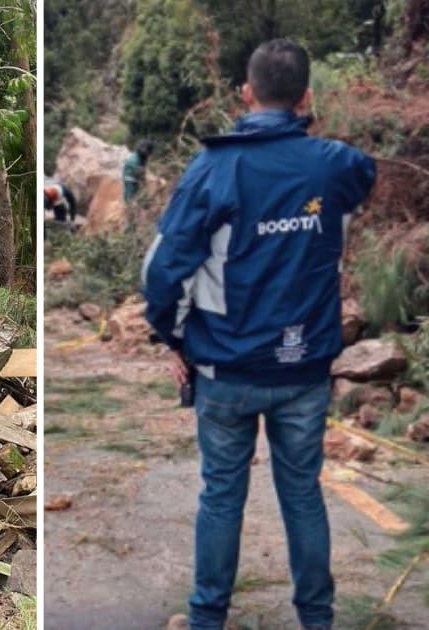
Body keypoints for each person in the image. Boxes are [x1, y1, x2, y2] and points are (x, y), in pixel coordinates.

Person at [141, 39, 375, 630]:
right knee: (303, 495)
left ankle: (206, 620)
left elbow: (163, 271)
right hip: (305, 372)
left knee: (221, 497)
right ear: (307, 97)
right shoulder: (335, 165)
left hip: (226, 370)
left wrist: (172, 339)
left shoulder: (214, 169)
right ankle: (317, 620)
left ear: (245, 94)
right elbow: (362, 179)